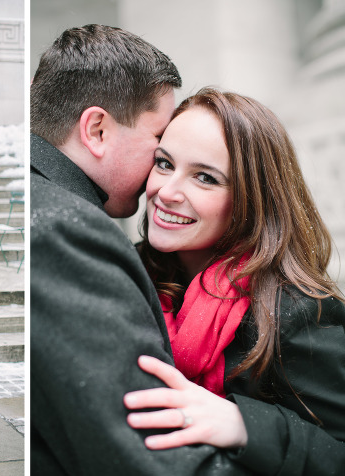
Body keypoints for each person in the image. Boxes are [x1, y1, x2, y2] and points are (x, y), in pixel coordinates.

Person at [31, 24, 262, 475]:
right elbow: (147, 452)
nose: (164, 188)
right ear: (96, 129)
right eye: (160, 153)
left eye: (205, 176)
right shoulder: (68, 227)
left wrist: (254, 426)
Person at [124, 88, 345, 474]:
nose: (167, 191)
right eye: (163, 163)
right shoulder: (126, 274)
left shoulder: (297, 313)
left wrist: (245, 425)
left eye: (205, 178)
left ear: (252, 199)